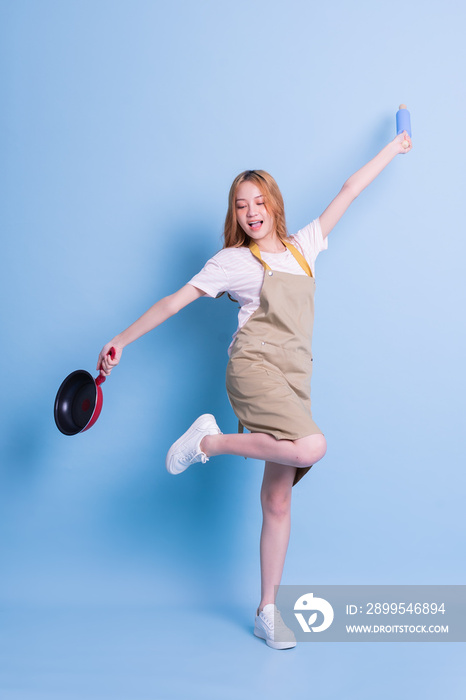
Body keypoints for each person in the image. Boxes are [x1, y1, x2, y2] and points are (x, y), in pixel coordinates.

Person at [97, 129, 413, 650]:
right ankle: (209, 442)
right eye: (241, 205)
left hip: (294, 378)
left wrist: (395, 147)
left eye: (259, 201)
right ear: (236, 215)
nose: (251, 212)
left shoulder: (305, 246)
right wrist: (122, 340)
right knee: (313, 445)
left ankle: (268, 609)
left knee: (277, 501)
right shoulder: (232, 262)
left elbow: (350, 189)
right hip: (252, 369)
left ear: (273, 204)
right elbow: (175, 302)